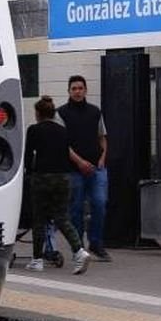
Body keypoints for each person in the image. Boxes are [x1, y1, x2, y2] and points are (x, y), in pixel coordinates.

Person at [24, 96, 92, 274]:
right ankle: (79, 251)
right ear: (53, 113)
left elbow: (28, 155)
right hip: (63, 178)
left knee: (39, 220)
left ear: (38, 113)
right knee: (62, 218)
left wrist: (28, 174)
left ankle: (37, 260)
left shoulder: (34, 130)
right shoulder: (63, 131)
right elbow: (65, 154)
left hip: (42, 178)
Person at [57, 76, 111, 261]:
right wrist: (79, 162)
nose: (77, 91)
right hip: (73, 169)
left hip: (97, 168)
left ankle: (96, 243)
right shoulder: (61, 113)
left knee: (100, 203)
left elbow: (102, 137)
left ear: (86, 90)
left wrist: (102, 158)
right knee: (76, 209)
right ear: (69, 91)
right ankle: (78, 247)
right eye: (74, 88)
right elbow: (62, 143)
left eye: (80, 88)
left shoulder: (95, 112)